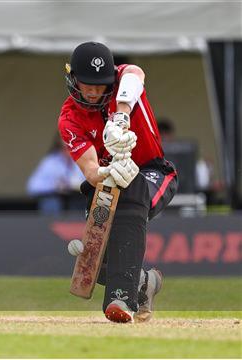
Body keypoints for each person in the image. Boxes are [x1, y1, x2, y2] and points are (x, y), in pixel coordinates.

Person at [59, 42, 178, 323]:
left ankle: (121, 299)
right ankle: (144, 282)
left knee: (132, 187)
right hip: (106, 183)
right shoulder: (69, 118)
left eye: (99, 85)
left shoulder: (125, 82)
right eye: (86, 84)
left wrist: (122, 115)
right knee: (96, 257)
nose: (92, 91)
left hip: (153, 172)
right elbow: (90, 169)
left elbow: (135, 72)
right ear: (73, 79)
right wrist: (109, 171)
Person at [27, 134, 85, 214]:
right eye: (64, 148)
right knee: (51, 203)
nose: (68, 151)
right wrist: (55, 186)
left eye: (71, 147)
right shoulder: (50, 162)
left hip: (79, 199)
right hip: (57, 200)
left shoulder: (84, 159)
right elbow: (32, 187)